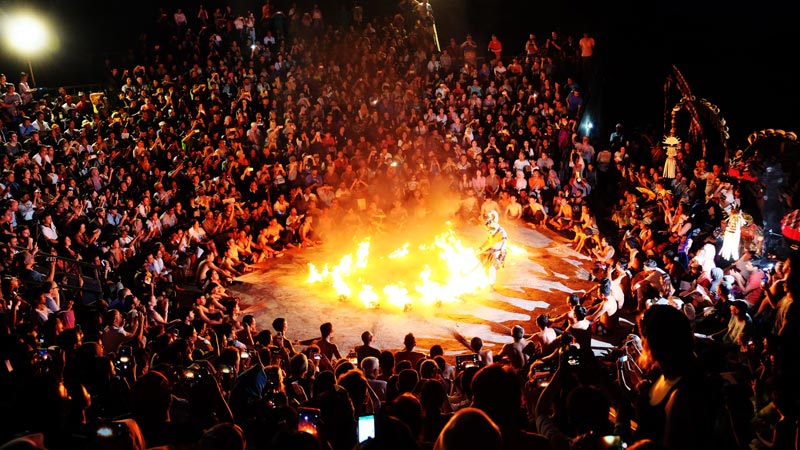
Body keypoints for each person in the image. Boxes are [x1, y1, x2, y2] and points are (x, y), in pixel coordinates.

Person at [478, 210, 507, 288]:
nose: (488, 232)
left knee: (492, 268)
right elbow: (488, 241)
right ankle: (481, 277)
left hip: (497, 252)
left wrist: (497, 255)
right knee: (481, 261)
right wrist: (481, 248)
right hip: (492, 249)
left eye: (490, 230)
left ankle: (491, 284)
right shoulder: (492, 230)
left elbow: (503, 245)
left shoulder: (502, 233)